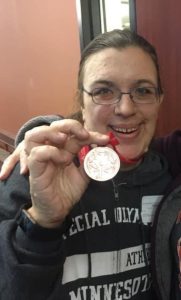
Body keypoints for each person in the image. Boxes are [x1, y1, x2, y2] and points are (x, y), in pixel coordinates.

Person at [0, 29, 181, 300]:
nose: (125, 108)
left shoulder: (169, 177)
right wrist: (42, 223)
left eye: (142, 90)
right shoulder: (35, 174)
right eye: (103, 91)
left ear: (159, 101)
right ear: (82, 104)